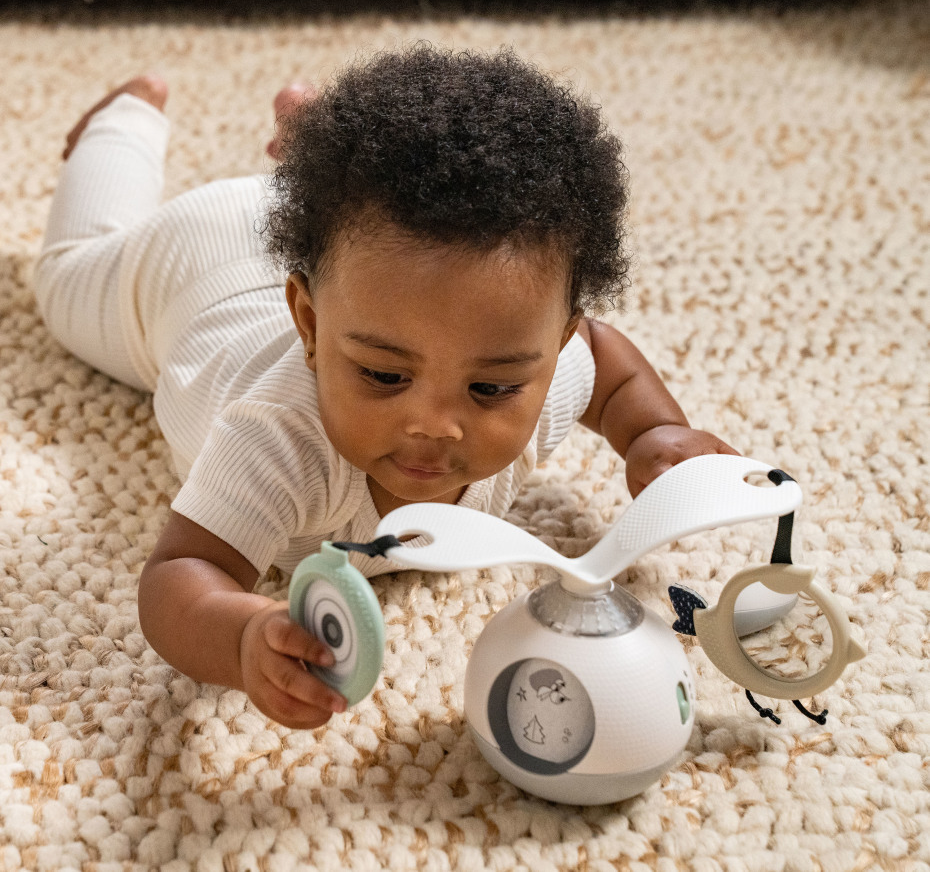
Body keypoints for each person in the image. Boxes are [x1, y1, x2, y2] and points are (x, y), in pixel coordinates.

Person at [35, 45, 737, 730]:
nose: (435, 424)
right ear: (308, 325)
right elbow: (180, 574)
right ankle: (127, 118)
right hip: (194, 272)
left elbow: (604, 357)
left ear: (552, 349)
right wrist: (243, 637)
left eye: (490, 389)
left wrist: (650, 432)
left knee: (352, 230)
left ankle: (318, 150)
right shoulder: (278, 439)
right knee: (62, 278)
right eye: (383, 375)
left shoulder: (541, 368)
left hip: (357, 270)